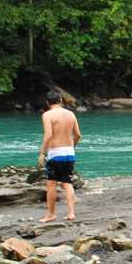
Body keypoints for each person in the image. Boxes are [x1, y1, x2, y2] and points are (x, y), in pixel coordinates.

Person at [38, 90, 82, 223]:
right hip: (69, 153)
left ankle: (51, 214)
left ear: (48, 102)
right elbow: (78, 135)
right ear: (61, 100)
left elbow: (48, 136)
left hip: (55, 154)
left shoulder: (47, 115)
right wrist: (72, 147)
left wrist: (42, 153)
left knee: (51, 184)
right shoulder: (71, 114)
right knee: (67, 183)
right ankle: (71, 213)